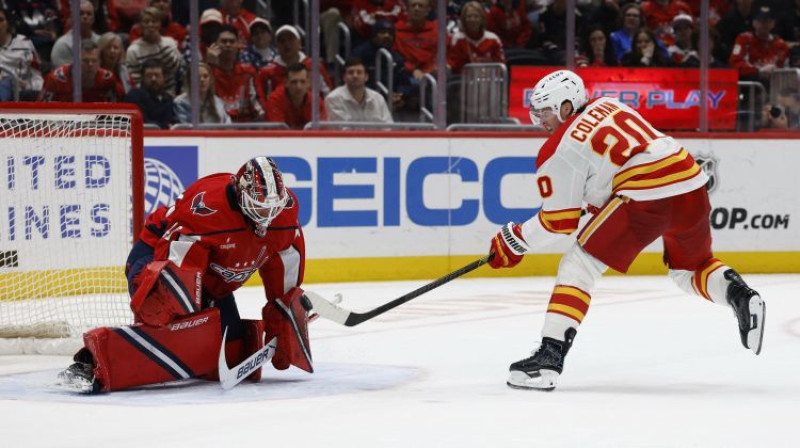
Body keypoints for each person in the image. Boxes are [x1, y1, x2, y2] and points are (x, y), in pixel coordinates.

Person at [489, 69, 765, 391]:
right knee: (690, 270)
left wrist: (514, 241)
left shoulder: (558, 149)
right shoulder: (610, 104)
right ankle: (739, 294)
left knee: (579, 265)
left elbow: (558, 222)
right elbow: (613, 167)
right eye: (537, 114)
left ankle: (548, 360)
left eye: (546, 113)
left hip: (645, 195)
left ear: (566, 107)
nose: (541, 122)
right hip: (690, 181)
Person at [57, 157, 312, 393]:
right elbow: (178, 266)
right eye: (259, 206)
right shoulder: (208, 209)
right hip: (157, 257)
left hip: (211, 279)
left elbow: (285, 272)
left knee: (233, 354)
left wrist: (284, 318)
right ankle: (93, 363)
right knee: (168, 313)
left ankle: (186, 342)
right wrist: (182, 317)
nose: (267, 216)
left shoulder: (285, 215)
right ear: (240, 193)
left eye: (272, 207)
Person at [255, 24, 333, 107]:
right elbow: (261, 97)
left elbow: (328, 94)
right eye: (282, 41)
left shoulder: (314, 66)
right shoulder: (267, 72)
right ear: (277, 46)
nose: (286, 44)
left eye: (290, 39)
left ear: (299, 43)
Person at [207, 25, 261, 122]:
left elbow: (258, 107)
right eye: (224, 41)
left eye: (232, 41)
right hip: (218, 125)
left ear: (238, 45)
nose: (228, 45)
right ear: (215, 45)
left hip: (246, 126)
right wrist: (211, 66)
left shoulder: (248, 72)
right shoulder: (207, 73)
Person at [40, 40, 124, 102]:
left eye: (94, 61)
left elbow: (118, 109)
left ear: (100, 62)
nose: (90, 64)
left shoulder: (108, 79)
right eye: (85, 61)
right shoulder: (55, 79)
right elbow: (41, 109)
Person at [125, 6, 183, 95]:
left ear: (160, 24)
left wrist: (161, 45)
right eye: (146, 21)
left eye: (154, 21)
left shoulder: (169, 43)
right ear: (140, 25)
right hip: (144, 95)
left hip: (170, 93)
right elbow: (135, 81)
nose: (150, 25)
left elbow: (177, 70)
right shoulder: (133, 50)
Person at [730, 6, 789, 82]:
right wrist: (758, 71)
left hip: (774, 84)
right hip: (751, 83)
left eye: (768, 21)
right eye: (760, 21)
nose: (764, 24)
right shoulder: (744, 39)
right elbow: (735, 63)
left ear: (773, 24)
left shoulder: (781, 45)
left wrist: (774, 70)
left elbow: (786, 69)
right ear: (754, 23)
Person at [325, 56, 393, 123]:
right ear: (344, 77)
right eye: (351, 72)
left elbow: (389, 126)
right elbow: (340, 128)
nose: (355, 76)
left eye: (359, 72)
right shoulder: (333, 98)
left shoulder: (378, 98)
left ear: (366, 77)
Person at [447, 1, 506, 75]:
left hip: (489, 79)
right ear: (463, 19)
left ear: (482, 18)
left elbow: (501, 66)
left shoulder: (493, 39)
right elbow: (453, 65)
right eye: (469, 16)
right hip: (463, 79)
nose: (472, 20)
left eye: (476, 16)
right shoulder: (457, 39)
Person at [266, 63, 327, 129]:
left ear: (308, 83)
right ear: (286, 83)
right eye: (294, 82)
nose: (298, 87)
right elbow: (277, 132)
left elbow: (322, 130)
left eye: (302, 81)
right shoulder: (275, 100)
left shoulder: (316, 101)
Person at [0, 7, 43, 100]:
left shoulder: (24, 43)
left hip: (22, 92)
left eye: (1, 20)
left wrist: (28, 86)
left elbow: (36, 75)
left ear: (8, 24)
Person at [124, 59, 174, 129]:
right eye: (149, 76)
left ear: (164, 78)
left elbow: (171, 121)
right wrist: (165, 126)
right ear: (143, 78)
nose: (153, 79)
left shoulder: (168, 99)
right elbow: (142, 123)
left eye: (157, 75)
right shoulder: (134, 96)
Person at [50, 0, 99, 67]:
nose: (85, 16)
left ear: (93, 19)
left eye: (89, 14)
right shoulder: (63, 45)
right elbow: (64, 72)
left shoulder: (100, 41)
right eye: (81, 13)